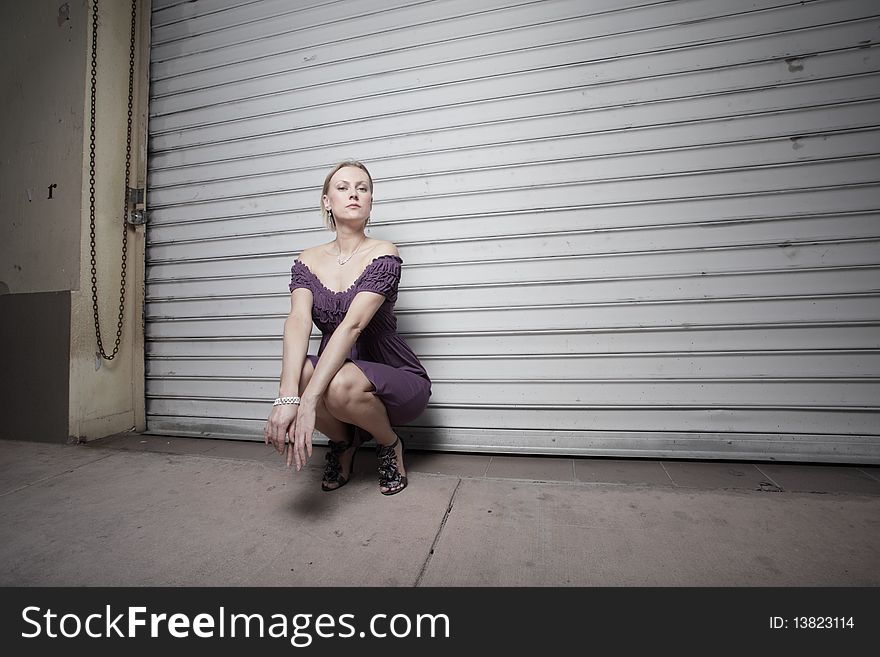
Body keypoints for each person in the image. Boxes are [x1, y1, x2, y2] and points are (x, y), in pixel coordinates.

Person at [264, 160, 431, 495]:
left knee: (337, 385)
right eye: (342, 188)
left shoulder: (384, 253)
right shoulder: (307, 259)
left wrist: (309, 402)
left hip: (389, 369)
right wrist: (287, 396)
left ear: (370, 201)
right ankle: (344, 443)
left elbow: (353, 325)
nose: (354, 194)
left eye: (362, 188)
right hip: (336, 367)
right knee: (300, 375)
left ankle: (389, 444)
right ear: (327, 201)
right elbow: (297, 320)